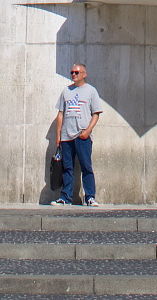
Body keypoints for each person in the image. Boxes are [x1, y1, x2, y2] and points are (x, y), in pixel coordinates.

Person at [53, 62, 102, 207]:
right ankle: (65, 197)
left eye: (76, 72)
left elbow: (96, 113)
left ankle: (90, 197)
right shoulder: (66, 91)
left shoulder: (91, 91)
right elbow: (60, 113)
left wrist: (87, 131)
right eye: (72, 72)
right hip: (66, 136)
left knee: (86, 166)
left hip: (82, 136)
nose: (73, 75)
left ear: (84, 74)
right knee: (67, 167)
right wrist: (58, 135)